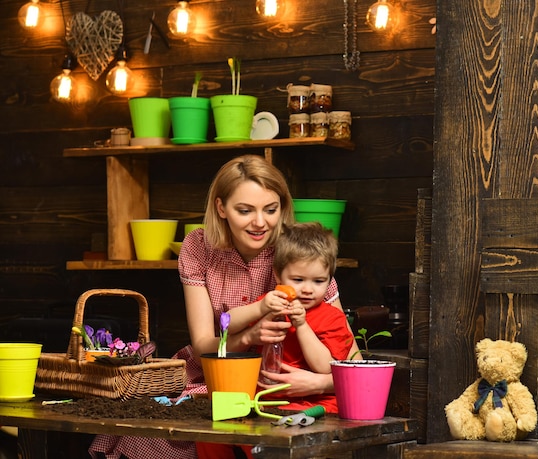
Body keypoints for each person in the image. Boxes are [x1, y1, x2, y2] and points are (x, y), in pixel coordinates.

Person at [89, 155, 358, 459]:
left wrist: (318, 383)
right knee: (145, 424)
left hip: (277, 383)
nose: (260, 222)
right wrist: (250, 336)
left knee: (227, 423)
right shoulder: (199, 247)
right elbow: (204, 343)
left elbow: (353, 360)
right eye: (245, 210)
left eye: (271, 209)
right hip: (211, 371)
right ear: (221, 208)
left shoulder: (297, 254)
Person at [227, 221, 355, 414]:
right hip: (266, 398)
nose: (307, 289)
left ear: (329, 279)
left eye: (319, 281)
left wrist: (302, 325)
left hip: (316, 402)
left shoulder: (333, 318)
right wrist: (259, 307)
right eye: (298, 280)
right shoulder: (271, 305)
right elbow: (226, 323)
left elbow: (325, 368)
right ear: (278, 275)